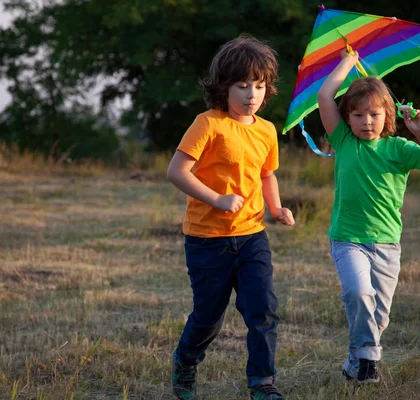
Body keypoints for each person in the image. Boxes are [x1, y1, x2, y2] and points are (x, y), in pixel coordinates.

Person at [167, 34, 295, 400]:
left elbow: (266, 174)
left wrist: (276, 208)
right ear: (223, 87)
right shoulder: (208, 123)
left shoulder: (267, 130)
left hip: (253, 235)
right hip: (207, 240)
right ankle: (186, 360)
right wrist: (217, 199)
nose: (251, 94)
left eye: (259, 85)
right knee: (208, 316)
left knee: (263, 309)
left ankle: (262, 383)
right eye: (242, 86)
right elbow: (177, 171)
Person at [317, 49, 420, 384]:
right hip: (348, 239)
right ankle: (369, 361)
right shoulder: (344, 141)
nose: (366, 121)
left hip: (387, 244)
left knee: (379, 314)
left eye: (373, 114)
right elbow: (324, 96)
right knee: (358, 293)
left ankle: (354, 360)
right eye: (357, 115)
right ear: (348, 119)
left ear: (387, 115)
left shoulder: (399, 148)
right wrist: (347, 62)